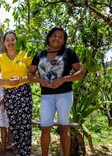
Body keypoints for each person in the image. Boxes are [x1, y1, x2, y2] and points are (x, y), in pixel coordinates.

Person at [28, 26, 84, 156]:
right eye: (54, 35)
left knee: (64, 127)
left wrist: (64, 79)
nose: (56, 38)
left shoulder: (69, 53)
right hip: (46, 96)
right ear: (48, 38)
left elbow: (80, 72)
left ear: (64, 41)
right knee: (45, 128)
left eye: (60, 37)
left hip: (64, 95)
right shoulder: (39, 55)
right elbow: (30, 75)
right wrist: (39, 81)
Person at [0, 31, 33, 156]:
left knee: (25, 123)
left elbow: (33, 74)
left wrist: (20, 79)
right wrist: (7, 82)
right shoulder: (0, 58)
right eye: (8, 40)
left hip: (23, 91)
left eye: (13, 39)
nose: (10, 42)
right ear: (4, 43)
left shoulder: (25, 55)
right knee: (14, 123)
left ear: (17, 41)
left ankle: (25, 152)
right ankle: (18, 151)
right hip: (9, 93)